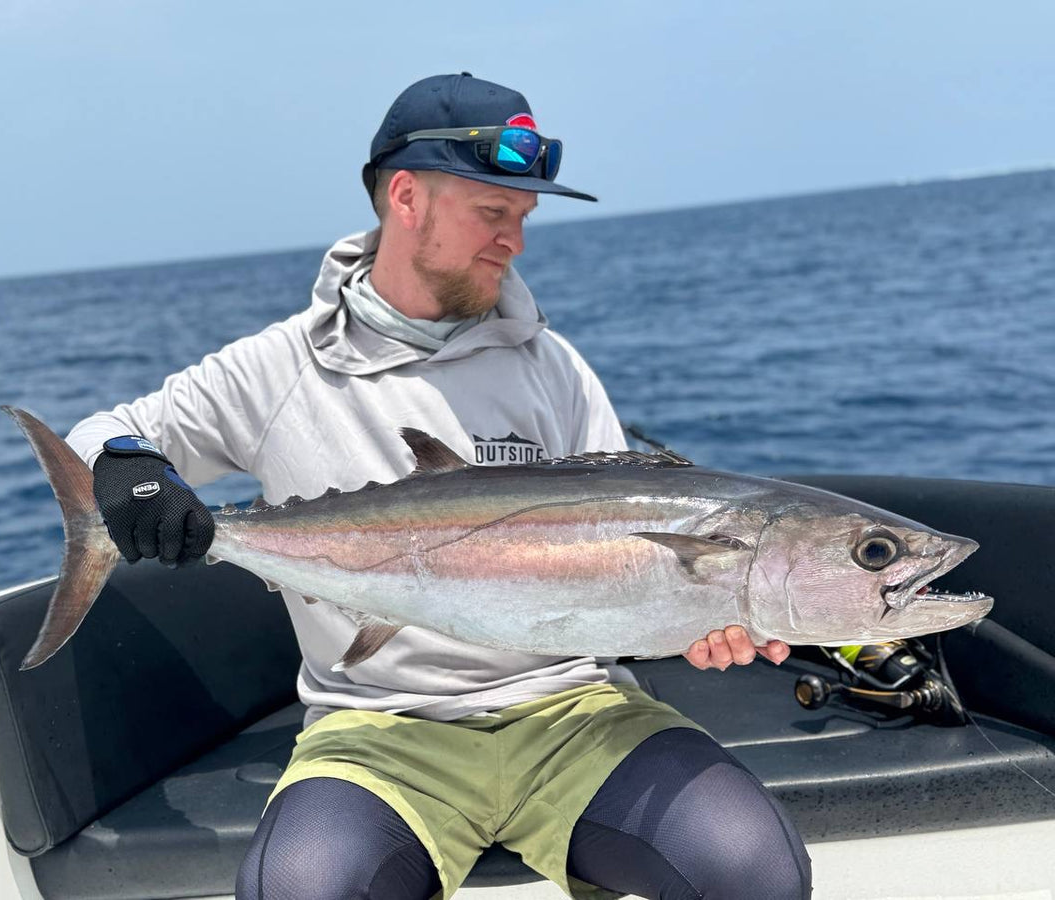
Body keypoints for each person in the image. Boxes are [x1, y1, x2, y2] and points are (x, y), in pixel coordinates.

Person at [68, 73, 812, 900]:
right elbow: (102, 433)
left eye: (523, 219)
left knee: (753, 867)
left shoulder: (553, 367)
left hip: (571, 713)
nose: (515, 242)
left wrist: (694, 621)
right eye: (493, 214)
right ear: (407, 197)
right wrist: (134, 476)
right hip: (376, 734)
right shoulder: (279, 368)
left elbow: (621, 565)